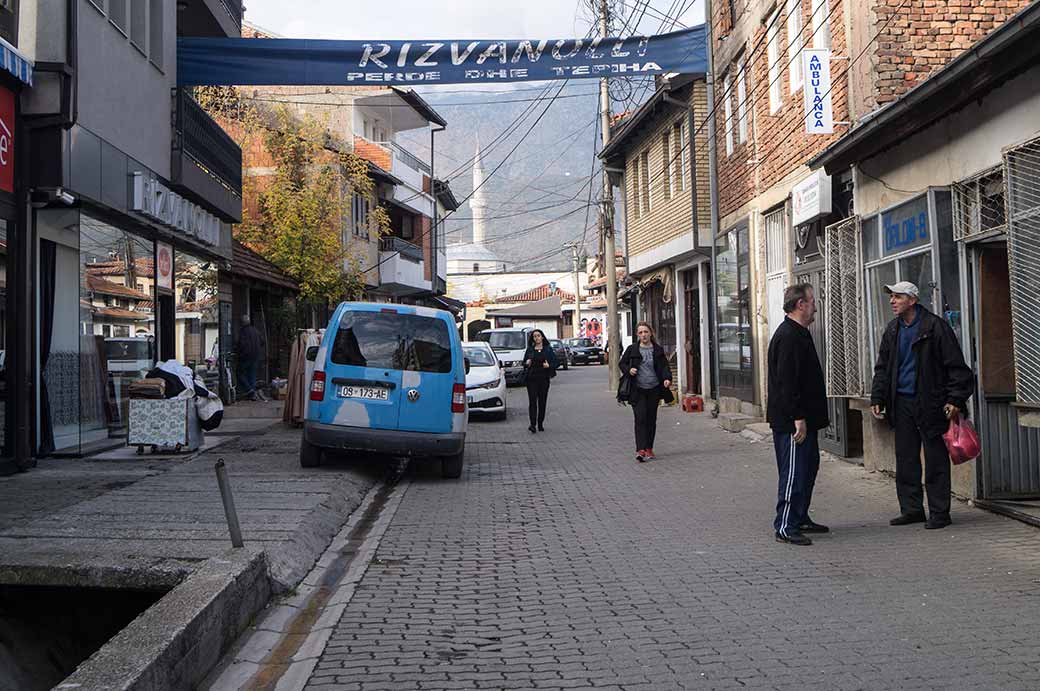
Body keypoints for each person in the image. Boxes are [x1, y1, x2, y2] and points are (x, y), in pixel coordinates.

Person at [870, 281, 973, 530]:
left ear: (912, 300)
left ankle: (939, 513)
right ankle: (912, 510)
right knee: (906, 458)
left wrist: (955, 399)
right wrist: (878, 397)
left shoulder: (935, 327)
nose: (892, 301)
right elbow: (883, 366)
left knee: (936, 459)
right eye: (891, 297)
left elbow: (956, 367)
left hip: (931, 402)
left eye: (898, 297)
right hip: (901, 402)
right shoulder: (893, 329)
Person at [767, 284, 830, 546]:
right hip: (792, 422)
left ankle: (800, 516)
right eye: (812, 301)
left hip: (806, 418)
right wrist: (797, 417)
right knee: (793, 473)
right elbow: (787, 382)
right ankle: (785, 525)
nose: (815, 305)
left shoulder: (800, 333)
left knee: (807, 470)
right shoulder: (788, 336)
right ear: (800, 305)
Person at [619, 322, 672, 462]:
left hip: (654, 389)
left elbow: (665, 367)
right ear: (637, 335)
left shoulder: (658, 350)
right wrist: (629, 370)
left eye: (646, 332)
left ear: (651, 333)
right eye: (641, 332)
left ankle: (649, 447)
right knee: (640, 418)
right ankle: (640, 449)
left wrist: (667, 378)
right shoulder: (632, 349)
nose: (644, 335)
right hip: (637, 390)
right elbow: (622, 363)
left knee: (651, 419)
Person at [523, 329, 558, 433]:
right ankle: (532, 424)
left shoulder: (548, 349)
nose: (536, 338)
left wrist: (549, 365)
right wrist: (527, 363)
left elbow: (556, 363)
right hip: (532, 379)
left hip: (543, 379)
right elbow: (524, 363)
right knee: (532, 401)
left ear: (542, 337)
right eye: (534, 336)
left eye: (538, 336)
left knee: (542, 402)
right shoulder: (530, 350)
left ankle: (540, 423)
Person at [237, 314, 266, 402]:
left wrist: (239, 352)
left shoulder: (243, 332)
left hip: (246, 356)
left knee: (239, 373)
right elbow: (262, 341)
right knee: (252, 374)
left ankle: (250, 390)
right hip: (256, 356)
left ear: (242, 323)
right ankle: (252, 394)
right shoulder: (255, 330)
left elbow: (241, 344)